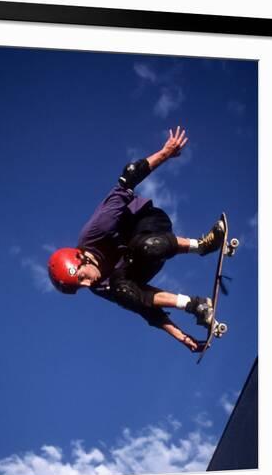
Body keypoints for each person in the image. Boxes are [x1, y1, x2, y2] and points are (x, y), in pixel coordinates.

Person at [47, 127, 225, 353]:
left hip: (148, 225)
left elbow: (127, 179)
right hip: (137, 265)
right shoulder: (100, 287)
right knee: (124, 293)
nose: (88, 285)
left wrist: (165, 152)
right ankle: (195, 305)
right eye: (80, 287)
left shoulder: (95, 230)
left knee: (145, 247)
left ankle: (202, 246)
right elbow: (145, 307)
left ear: (81, 257)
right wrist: (181, 337)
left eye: (81, 278)